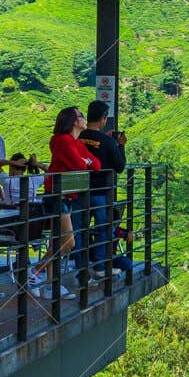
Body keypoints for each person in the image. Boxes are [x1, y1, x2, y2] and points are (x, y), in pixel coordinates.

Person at [31, 106, 99, 295]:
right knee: (68, 243)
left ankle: (51, 285)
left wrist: (85, 161)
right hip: (57, 195)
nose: (84, 118)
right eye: (81, 115)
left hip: (67, 195)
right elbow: (79, 164)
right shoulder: (63, 141)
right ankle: (35, 270)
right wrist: (85, 162)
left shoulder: (76, 143)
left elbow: (97, 165)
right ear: (74, 121)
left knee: (57, 240)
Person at [79, 99, 127, 276]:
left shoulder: (78, 137)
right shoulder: (108, 142)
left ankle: (79, 268)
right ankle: (99, 266)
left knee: (79, 230)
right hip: (101, 193)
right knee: (103, 229)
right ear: (103, 118)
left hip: (79, 192)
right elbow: (120, 166)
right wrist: (120, 145)